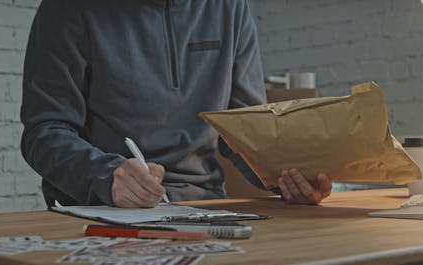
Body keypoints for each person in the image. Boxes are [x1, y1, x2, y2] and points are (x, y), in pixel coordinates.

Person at [20, 0, 332, 208]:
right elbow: (44, 132)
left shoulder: (229, 8)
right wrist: (105, 177)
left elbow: (246, 130)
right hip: (100, 209)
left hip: (203, 206)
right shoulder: (66, 9)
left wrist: (288, 176)